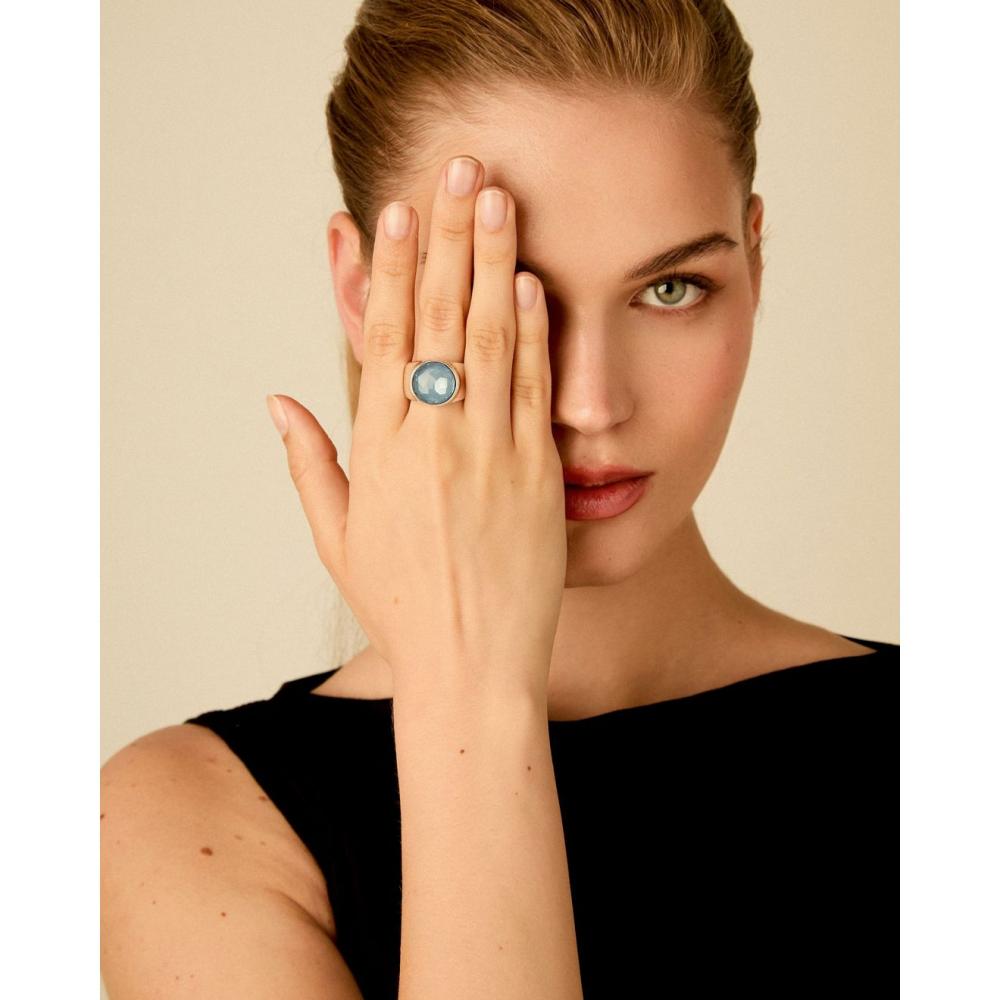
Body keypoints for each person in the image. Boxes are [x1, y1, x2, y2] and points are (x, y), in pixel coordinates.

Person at [101, 1, 898, 998]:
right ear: (362, 291)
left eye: (671, 289)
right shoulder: (190, 822)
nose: (591, 404)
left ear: (756, 260)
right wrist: (471, 695)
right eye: (509, 290)